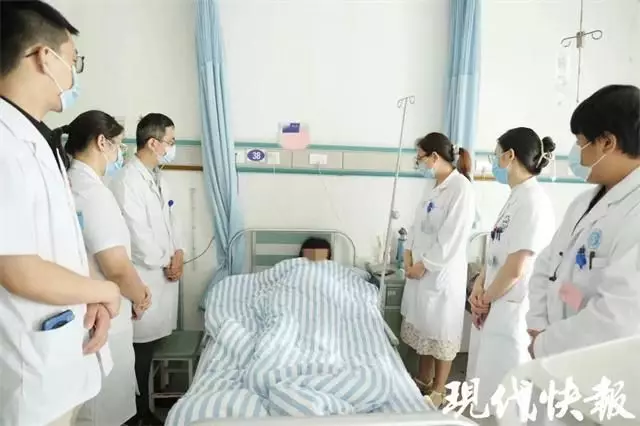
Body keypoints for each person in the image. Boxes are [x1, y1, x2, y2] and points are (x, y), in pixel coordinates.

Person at [0, 2, 121, 425]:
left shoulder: (35, 138)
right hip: (28, 373)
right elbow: (17, 269)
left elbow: (55, 246)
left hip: (61, 355)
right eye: (74, 60)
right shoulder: (5, 143)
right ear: (44, 57)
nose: (74, 74)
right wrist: (105, 290)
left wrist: (91, 295)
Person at [527, 85, 640, 367]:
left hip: (598, 367)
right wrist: (538, 325)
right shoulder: (584, 203)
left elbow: (619, 316)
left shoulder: (634, 212)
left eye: (580, 142)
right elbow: (548, 264)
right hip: (553, 347)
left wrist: (546, 344)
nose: (577, 153)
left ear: (607, 143)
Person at [55, 110, 154, 426]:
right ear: (102, 142)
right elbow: (116, 268)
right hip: (104, 317)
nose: (120, 152)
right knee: (105, 412)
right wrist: (140, 296)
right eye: (118, 145)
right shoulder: (95, 195)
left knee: (91, 410)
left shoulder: (70, 184)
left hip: (86, 311)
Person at [466, 128, 556, 413]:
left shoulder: (533, 202)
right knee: (491, 392)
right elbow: (495, 251)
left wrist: (484, 300)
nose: (494, 162)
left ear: (510, 155)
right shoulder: (516, 197)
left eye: (496, 156)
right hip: (496, 303)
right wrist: (479, 284)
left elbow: (516, 268)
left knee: (509, 400)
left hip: (512, 311)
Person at [110, 113, 184, 425]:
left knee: (150, 347)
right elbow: (138, 236)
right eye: (170, 141)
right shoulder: (127, 181)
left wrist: (179, 252)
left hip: (163, 272)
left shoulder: (159, 178)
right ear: (153, 143)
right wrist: (166, 260)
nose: (173, 147)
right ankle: (137, 415)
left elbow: (172, 221)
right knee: (138, 351)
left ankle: (145, 408)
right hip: (144, 276)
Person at [400, 132, 476, 408]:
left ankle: (439, 389)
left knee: (442, 332)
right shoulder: (434, 186)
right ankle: (423, 379)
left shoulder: (461, 189)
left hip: (442, 274)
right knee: (424, 329)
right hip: (420, 270)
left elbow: (452, 237)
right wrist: (407, 254)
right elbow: (416, 224)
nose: (419, 163)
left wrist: (424, 265)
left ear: (434, 156)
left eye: (420, 157)